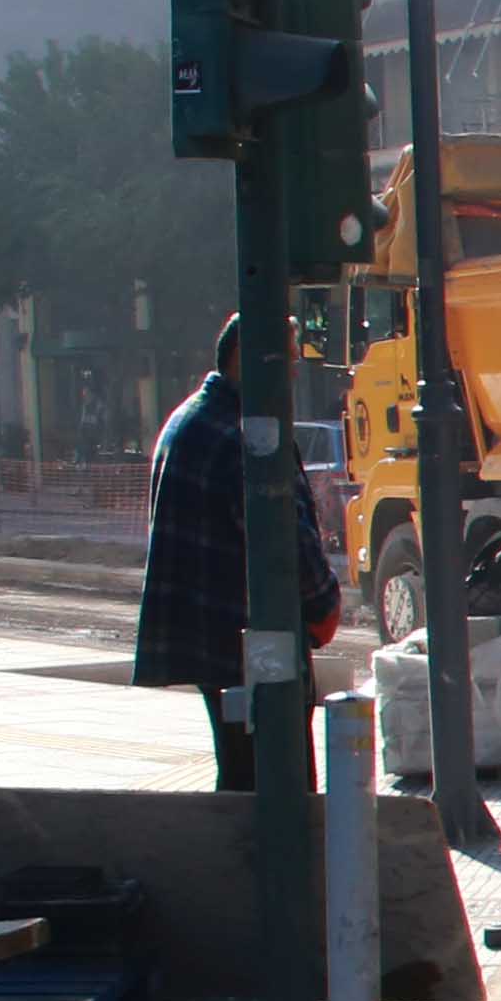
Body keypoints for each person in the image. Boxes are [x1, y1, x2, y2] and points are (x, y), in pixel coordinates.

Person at [133, 315, 342, 791]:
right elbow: (285, 538)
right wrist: (324, 602)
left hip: (212, 639)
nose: (292, 372)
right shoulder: (247, 435)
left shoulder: (190, 418)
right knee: (278, 785)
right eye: (285, 359)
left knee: (240, 776)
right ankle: (277, 866)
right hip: (252, 643)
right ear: (248, 359)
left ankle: (246, 858)